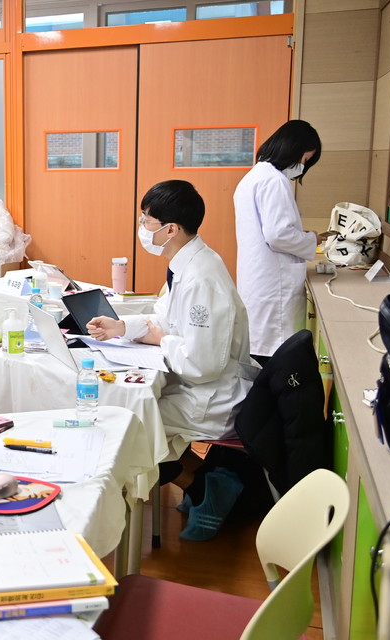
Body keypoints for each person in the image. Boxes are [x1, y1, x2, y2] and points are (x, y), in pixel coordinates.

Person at [86, 180, 260, 541]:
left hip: (213, 394)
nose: (142, 228)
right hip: (198, 384)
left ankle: (201, 487)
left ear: (171, 229)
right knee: (135, 411)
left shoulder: (201, 277)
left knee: (128, 424)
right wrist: (123, 326)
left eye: (147, 221)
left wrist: (161, 339)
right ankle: (206, 481)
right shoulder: (188, 262)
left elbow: (203, 362)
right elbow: (165, 320)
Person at [234, 120, 330, 364]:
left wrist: (301, 235)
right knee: (275, 362)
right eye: (305, 159)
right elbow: (278, 235)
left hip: (258, 282)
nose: (302, 166)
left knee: (260, 356)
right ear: (291, 149)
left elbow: (271, 229)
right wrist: (311, 239)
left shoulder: (254, 177)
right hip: (272, 287)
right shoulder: (274, 180)